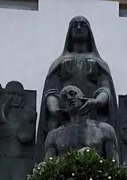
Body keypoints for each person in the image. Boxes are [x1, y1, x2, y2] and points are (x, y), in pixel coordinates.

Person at [35, 15, 118, 162]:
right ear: (70, 32)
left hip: (92, 118)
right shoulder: (59, 63)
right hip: (65, 119)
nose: (79, 28)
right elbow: (51, 91)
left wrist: (96, 102)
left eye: (83, 25)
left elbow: (105, 90)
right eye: (75, 25)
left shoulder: (99, 63)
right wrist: (55, 111)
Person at [43, 85, 118, 162]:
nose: (69, 98)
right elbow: (47, 167)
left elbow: (114, 164)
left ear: (83, 96)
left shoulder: (105, 129)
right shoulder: (53, 135)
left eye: (72, 93)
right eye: (65, 98)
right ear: (63, 105)